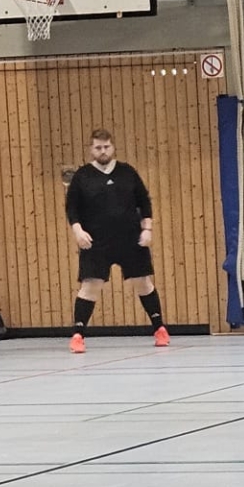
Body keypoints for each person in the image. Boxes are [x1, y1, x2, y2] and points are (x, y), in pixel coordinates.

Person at [66, 128, 169, 353]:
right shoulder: (83, 176)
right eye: (98, 148)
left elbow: (144, 202)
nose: (103, 151)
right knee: (90, 286)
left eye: (106, 147)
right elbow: (71, 207)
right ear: (91, 149)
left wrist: (147, 229)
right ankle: (78, 335)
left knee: (143, 282)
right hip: (96, 241)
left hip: (130, 238)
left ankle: (160, 329)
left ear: (113, 147)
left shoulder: (127, 172)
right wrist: (77, 231)